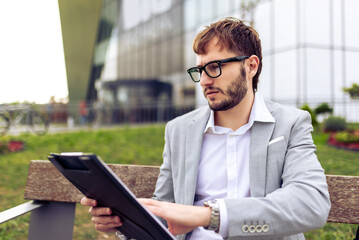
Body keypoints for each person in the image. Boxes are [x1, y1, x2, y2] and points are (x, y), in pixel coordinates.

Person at [81, 17, 330, 240]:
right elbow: (165, 212)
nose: (204, 81)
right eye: (200, 70)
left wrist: (208, 216)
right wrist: (123, 223)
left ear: (251, 66)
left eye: (214, 67)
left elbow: (310, 203)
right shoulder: (179, 130)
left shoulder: (291, 123)